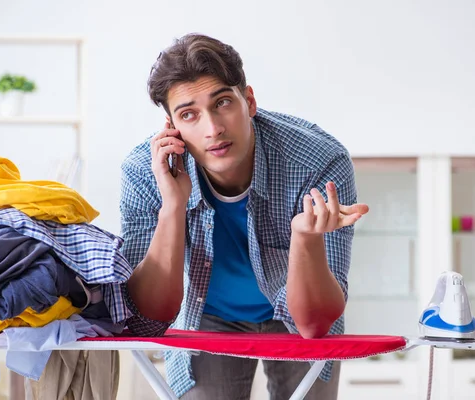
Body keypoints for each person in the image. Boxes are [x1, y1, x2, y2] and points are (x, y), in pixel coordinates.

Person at [119, 33, 369, 400]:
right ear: (171, 125)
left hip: (295, 318)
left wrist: (305, 238)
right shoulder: (145, 171)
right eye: (189, 114)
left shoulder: (318, 162)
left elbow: (315, 324)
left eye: (222, 103)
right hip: (207, 316)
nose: (213, 128)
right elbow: (148, 315)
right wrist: (172, 207)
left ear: (248, 100)